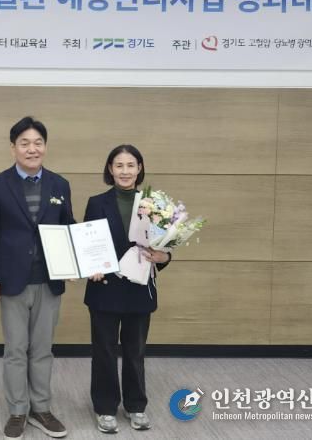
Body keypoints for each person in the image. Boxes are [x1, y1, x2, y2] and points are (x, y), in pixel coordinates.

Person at [0, 116, 75, 440]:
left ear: (45, 146)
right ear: (13, 148)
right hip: (11, 282)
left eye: (38, 143)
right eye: (25, 143)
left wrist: (75, 263)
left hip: (49, 280)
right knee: (16, 349)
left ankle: (41, 408)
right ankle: (18, 410)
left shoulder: (60, 185)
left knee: (43, 349)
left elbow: (68, 227)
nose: (32, 149)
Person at [83, 144, 171, 434]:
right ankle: (105, 407)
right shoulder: (97, 202)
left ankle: (136, 405)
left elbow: (164, 247)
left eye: (130, 165)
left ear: (139, 168)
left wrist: (163, 257)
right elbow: (88, 242)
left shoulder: (154, 204)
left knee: (135, 351)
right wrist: (91, 265)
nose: (125, 171)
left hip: (139, 289)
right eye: (119, 165)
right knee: (104, 351)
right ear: (110, 169)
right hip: (105, 288)